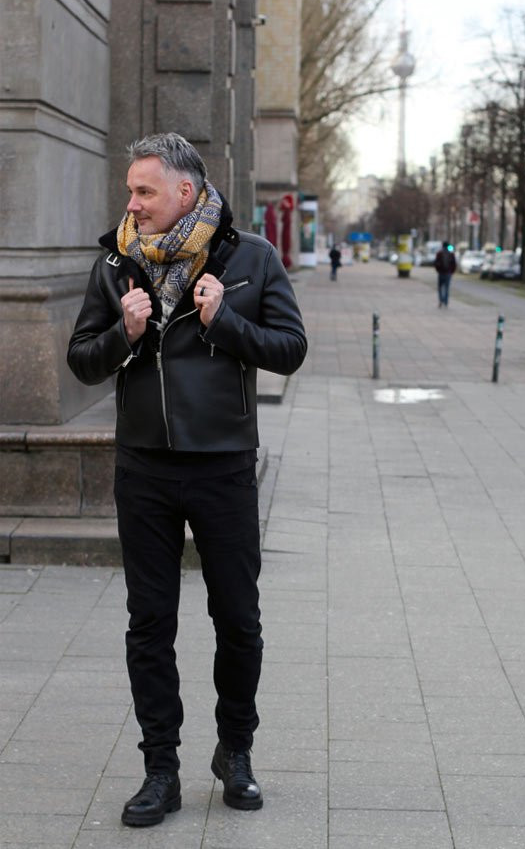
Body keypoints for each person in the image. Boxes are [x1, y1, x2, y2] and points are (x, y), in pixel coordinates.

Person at [67, 133, 307, 828]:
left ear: (184, 191)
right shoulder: (116, 264)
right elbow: (83, 360)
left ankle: (236, 752)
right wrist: (123, 335)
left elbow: (290, 350)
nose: (132, 203)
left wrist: (224, 321)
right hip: (143, 466)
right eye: (131, 190)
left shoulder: (251, 259)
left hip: (224, 466)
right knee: (150, 623)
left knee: (238, 619)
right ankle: (160, 769)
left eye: (144, 190)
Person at [434, 241, 456, 307]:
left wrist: (438, 270)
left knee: (440, 288)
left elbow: (435, 263)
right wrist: (451, 272)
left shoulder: (439, 253)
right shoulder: (451, 254)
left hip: (441, 273)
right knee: (447, 288)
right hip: (448, 273)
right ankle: (446, 302)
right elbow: (454, 264)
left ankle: (441, 300)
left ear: (442, 246)